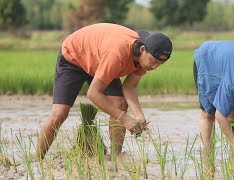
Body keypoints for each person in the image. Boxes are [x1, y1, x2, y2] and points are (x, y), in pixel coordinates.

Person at [36, 23, 173, 160]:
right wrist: (125, 118)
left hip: (101, 59)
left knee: (119, 103)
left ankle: (115, 157)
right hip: (74, 56)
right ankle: (38, 160)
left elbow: (129, 87)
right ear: (143, 49)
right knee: (59, 113)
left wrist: (138, 115)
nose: (154, 67)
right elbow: (93, 93)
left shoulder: (144, 60)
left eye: (159, 64)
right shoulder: (117, 54)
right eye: (153, 61)